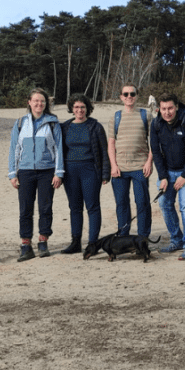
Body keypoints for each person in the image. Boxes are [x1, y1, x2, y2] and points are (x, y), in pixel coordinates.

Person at [8, 87, 64, 262]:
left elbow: (59, 148)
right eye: (36, 100)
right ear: (29, 102)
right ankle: (26, 245)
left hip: (47, 171)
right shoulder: (20, 123)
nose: (39, 103)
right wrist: (12, 173)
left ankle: (43, 241)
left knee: (45, 207)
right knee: (25, 209)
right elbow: (14, 149)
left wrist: (59, 172)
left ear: (46, 104)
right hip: (25, 171)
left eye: (42, 101)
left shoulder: (52, 122)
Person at [150, 93, 185, 260]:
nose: (167, 112)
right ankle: (176, 239)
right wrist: (163, 177)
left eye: (170, 108)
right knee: (165, 204)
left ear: (176, 107)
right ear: (159, 109)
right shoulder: (156, 123)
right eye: (164, 109)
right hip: (167, 172)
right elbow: (156, 152)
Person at [60, 93, 110, 255]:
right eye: (76, 107)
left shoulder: (95, 126)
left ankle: (93, 243)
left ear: (87, 108)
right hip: (70, 171)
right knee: (74, 207)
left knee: (92, 207)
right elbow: (59, 151)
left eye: (82, 107)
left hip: (90, 171)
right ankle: (75, 242)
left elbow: (104, 151)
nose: (79, 110)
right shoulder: (65, 127)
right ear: (71, 109)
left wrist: (105, 174)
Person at [107, 84, 153, 240]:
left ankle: (143, 238)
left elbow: (153, 142)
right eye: (125, 94)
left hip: (140, 167)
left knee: (142, 203)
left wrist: (149, 162)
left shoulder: (145, 115)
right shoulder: (116, 117)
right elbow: (111, 144)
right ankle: (123, 237)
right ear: (121, 96)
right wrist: (113, 165)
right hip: (120, 168)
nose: (129, 96)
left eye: (132, 93)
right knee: (122, 204)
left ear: (137, 95)